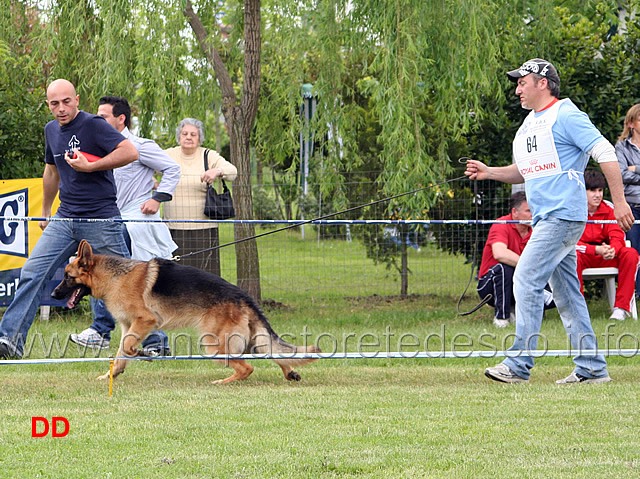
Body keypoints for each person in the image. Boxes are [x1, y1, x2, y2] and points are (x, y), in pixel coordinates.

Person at [465, 58, 634, 384]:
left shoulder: (567, 115)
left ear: (542, 82)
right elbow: (523, 171)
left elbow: (606, 154)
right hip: (548, 219)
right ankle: (592, 369)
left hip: (562, 216)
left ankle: (518, 365)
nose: (517, 89)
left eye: (521, 82)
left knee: (525, 279)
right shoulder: (530, 124)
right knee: (568, 294)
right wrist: (489, 172)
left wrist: (620, 202)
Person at [0, 79, 138, 359]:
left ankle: (154, 342)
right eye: (54, 103)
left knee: (125, 281)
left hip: (101, 219)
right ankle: (9, 342)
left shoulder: (94, 125)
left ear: (76, 100)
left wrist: (92, 166)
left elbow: (129, 152)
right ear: (48, 104)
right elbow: (51, 172)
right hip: (64, 218)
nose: (61, 109)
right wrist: (47, 209)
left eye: (66, 102)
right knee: (32, 273)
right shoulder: (51, 130)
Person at [69, 96, 182, 355]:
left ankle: (144, 340)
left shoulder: (140, 146)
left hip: (133, 221)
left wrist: (157, 198)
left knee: (128, 280)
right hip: (105, 218)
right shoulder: (97, 148)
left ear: (121, 119)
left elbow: (172, 169)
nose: (98, 120)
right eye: (96, 115)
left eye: (104, 116)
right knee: (104, 276)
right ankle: (109, 333)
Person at [163, 118, 237, 276]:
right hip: (173, 227)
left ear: (200, 137)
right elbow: (145, 167)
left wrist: (217, 171)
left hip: (203, 228)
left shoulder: (208, 155)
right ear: (179, 136)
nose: (188, 137)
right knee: (175, 277)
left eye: (193, 134)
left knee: (205, 277)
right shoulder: (168, 155)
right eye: (185, 134)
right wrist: (152, 182)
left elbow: (232, 171)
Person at [576, 169, 639, 320]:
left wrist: (612, 249)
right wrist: (594, 249)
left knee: (630, 254)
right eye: (592, 190)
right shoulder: (573, 209)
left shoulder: (610, 207)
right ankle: (578, 309)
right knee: (570, 257)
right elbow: (569, 243)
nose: (597, 195)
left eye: (600, 190)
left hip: (606, 254)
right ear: (581, 191)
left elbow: (618, 235)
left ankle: (621, 309)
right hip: (583, 254)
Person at [615, 103, 640, 294]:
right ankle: (637, 294)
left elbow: (630, 173)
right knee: (634, 251)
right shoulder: (621, 147)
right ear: (631, 123)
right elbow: (622, 174)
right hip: (633, 206)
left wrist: (636, 169)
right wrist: (629, 171)